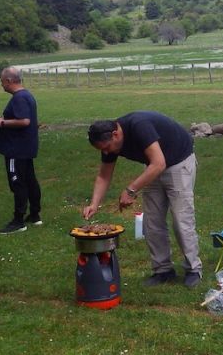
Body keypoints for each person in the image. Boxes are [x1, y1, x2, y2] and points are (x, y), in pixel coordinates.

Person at [83, 111, 202, 288]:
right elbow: (104, 176)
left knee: (181, 220)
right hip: (153, 166)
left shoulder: (139, 126)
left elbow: (159, 163)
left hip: (178, 162)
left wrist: (130, 190)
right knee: (152, 222)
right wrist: (94, 203)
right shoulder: (108, 139)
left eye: (106, 147)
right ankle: (162, 271)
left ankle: (193, 269)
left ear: (116, 134)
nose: (106, 152)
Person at [0, 67, 42, 235]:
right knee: (30, 180)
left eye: (2, 82)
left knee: (17, 182)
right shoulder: (27, 95)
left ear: (9, 81)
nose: (1, 85)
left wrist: (1, 123)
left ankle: (18, 221)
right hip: (26, 147)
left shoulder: (19, 98)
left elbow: (25, 121)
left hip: (16, 149)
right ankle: (35, 215)